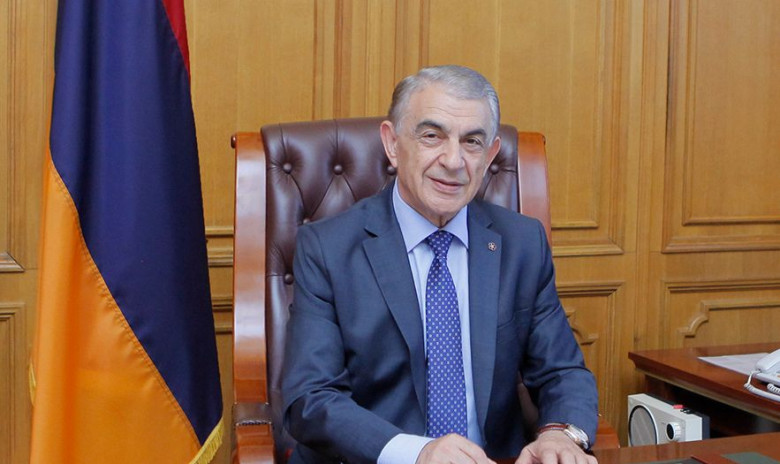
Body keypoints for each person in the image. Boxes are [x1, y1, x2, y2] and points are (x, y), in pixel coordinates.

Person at [281, 65, 599, 464]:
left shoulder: (522, 243)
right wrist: (417, 452)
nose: (453, 160)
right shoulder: (328, 248)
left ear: (490, 155)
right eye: (432, 136)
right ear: (392, 143)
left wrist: (562, 434)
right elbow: (311, 397)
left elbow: (562, 371)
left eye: (472, 142)